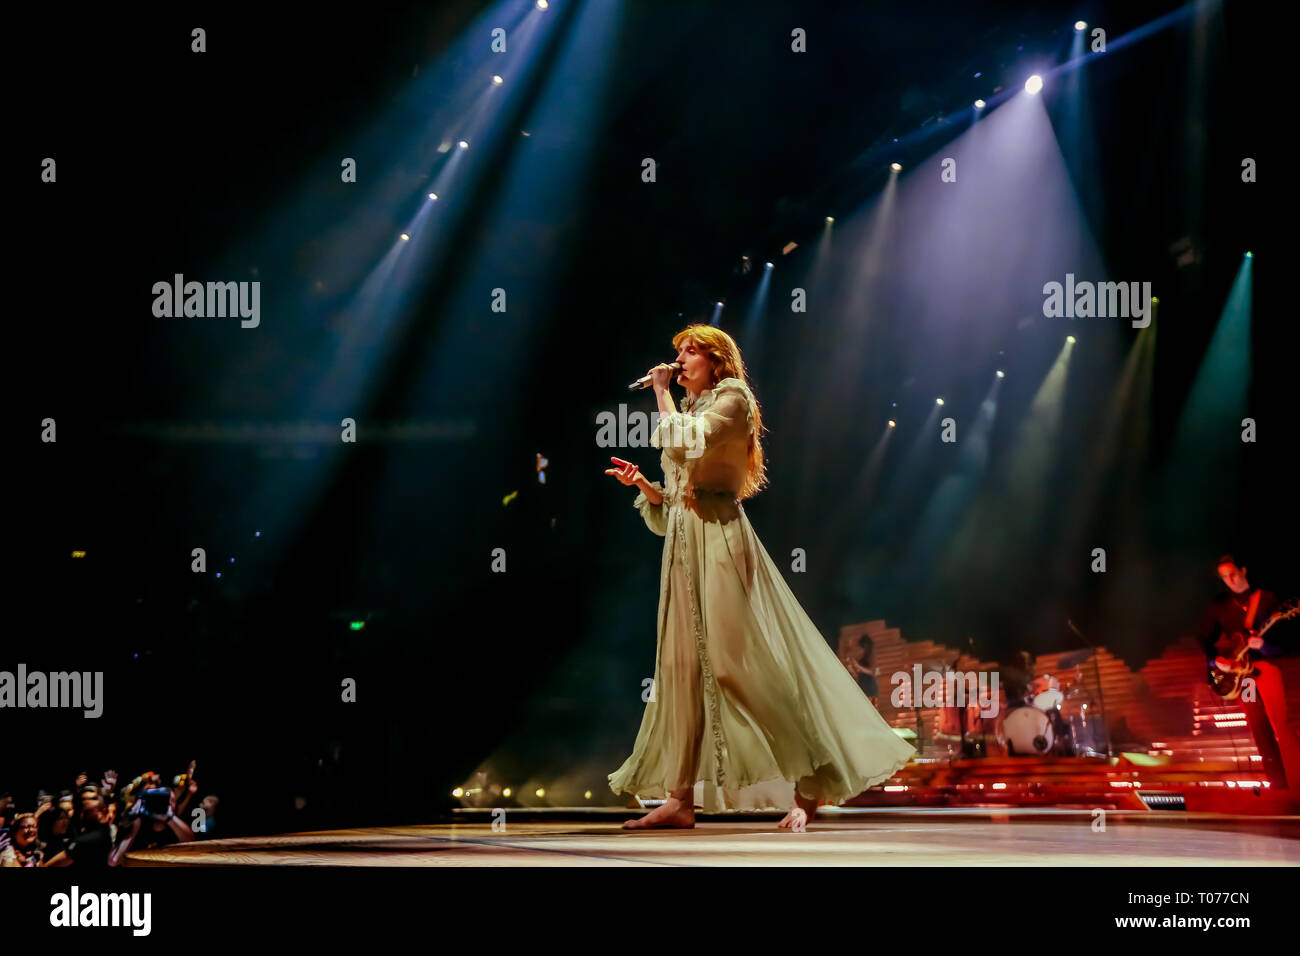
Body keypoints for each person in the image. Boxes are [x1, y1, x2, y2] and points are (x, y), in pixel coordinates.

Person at [605, 324, 915, 829]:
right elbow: (674, 498)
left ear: (717, 359)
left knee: (734, 666)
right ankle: (680, 800)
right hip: (685, 543)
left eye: (690, 351)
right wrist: (647, 487)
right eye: (676, 353)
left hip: (721, 537)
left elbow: (685, 442)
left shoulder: (734, 399)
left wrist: (661, 392)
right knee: (681, 671)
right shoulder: (691, 410)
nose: (679, 360)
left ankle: (811, 782)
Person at [1199, 553, 1300, 790]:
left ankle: (1297, 784)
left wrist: (1264, 645)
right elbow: (1204, 638)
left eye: (1232, 573)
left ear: (1243, 571)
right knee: (1258, 727)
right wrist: (1216, 661)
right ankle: (1278, 786)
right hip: (1244, 679)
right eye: (1224, 577)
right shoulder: (1219, 606)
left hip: (1266, 668)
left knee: (1280, 724)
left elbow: (1288, 643)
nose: (1230, 579)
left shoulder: (1266, 598)